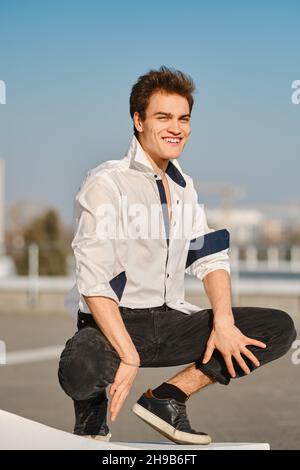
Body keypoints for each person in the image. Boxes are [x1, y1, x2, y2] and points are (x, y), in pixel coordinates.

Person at [58, 66, 296, 445]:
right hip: (115, 324)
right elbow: (93, 280)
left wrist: (224, 321)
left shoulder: (184, 188)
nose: (177, 128)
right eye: (163, 117)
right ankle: (90, 424)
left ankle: (167, 399)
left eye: (184, 118)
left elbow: (210, 259)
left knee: (277, 328)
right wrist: (129, 356)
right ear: (138, 121)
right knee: (81, 364)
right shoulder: (107, 182)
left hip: (169, 322)